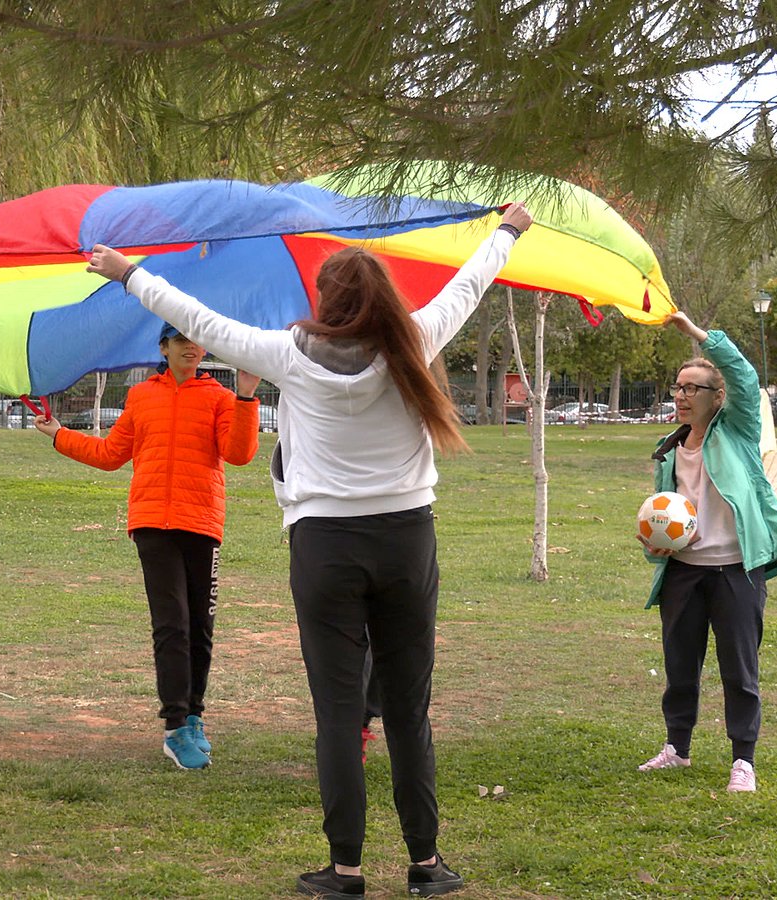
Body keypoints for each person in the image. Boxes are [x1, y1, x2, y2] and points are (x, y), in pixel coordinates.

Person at [84, 201, 534, 899]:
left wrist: (126, 272)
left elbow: (197, 319)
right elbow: (470, 285)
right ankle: (425, 865)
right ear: (384, 294)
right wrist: (507, 230)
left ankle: (346, 870)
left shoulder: (286, 352)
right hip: (408, 541)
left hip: (323, 547)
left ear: (324, 300)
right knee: (409, 710)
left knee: (336, 711)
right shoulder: (415, 336)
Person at [32, 325, 261, 769]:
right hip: (153, 523)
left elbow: (238, 454)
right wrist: (59, 434)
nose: (191, 348)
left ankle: (194, 717)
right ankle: (175, 728)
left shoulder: (218, 397)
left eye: (196, 341)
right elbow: (110, 454)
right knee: (171, 625)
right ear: (164, 348)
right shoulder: (141, 397)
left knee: (199, 628)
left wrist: (247, 397)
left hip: (202, 523)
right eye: (180, 340)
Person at [635, 311, 777, 794]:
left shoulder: (740, 432)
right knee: (679, 666)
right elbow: (671, 521)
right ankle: (677, 748)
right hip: (685, 574)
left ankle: (743, 761)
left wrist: (696, 334)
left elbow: (746, 376)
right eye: (678, 387)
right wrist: (655, 545)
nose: (682, 396)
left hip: (737, 573)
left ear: (716, 396)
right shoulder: (670, 449)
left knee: (740, 669)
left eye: (692, 388)